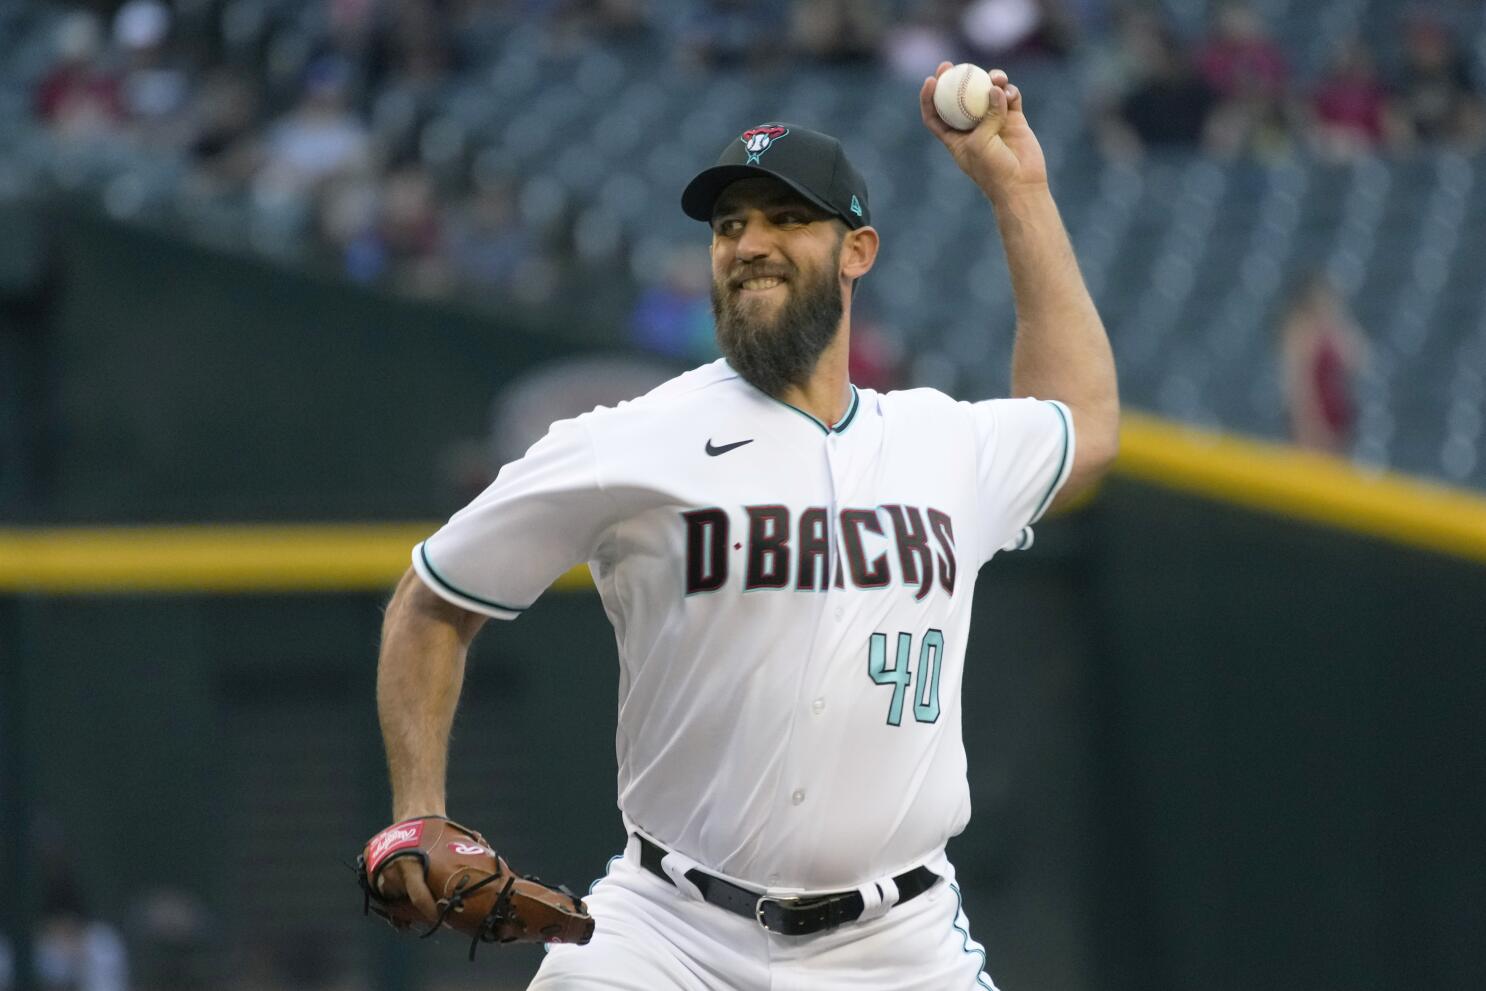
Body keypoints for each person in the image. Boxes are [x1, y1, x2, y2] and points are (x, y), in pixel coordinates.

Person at [372, 62, 1118, 990]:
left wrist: (1019, 190)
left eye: (786, 218)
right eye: (730, 225)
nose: (749, 243)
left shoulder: (941, 442)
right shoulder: (630, 440)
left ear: (858, 251)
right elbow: (433, 598)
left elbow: (1082, 427)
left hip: (898, 947)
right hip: (670, 932)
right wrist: (419, 809)